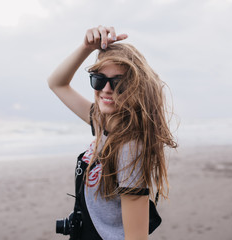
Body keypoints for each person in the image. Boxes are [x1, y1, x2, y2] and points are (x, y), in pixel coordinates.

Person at [48, 26, 177, 240]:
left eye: (120, 82)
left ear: (136, 86)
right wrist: (87, 47)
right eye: (99, 79)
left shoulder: (130, 148)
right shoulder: (103, 122)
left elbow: (136, 237)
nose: (107, 89)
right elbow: (57, 83)